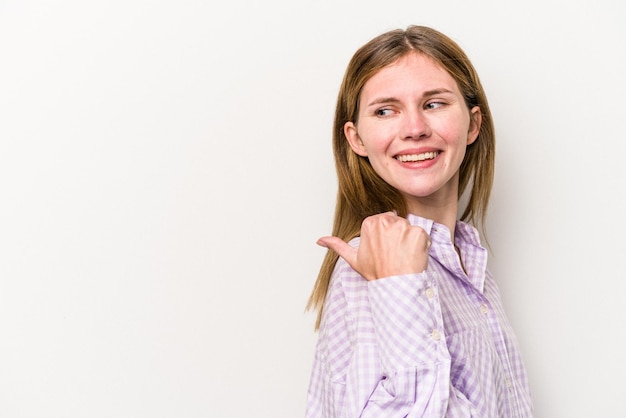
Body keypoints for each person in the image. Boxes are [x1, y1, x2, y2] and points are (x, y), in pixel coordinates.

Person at [305, 25, 533, 417]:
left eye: (433, 104)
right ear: (357, 138)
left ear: (473, 124)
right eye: (385, 111)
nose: (414, 129)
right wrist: (400, 287)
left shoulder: (468, 260)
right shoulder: (372, 267)